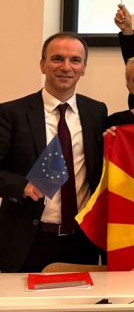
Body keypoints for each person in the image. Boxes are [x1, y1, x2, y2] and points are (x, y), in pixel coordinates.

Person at [0, 33, 107, 272]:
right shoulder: (12, 113)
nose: (66, 67)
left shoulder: (96, 112)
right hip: (30, 239)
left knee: (82, 308)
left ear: (84, 68)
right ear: (43, 64)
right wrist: (21, 186)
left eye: (75, 60)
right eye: (57, 59)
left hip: (82, 240)